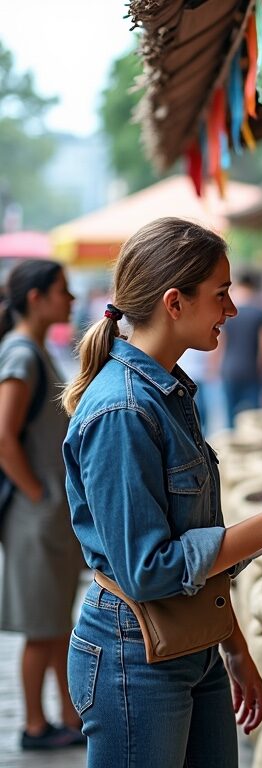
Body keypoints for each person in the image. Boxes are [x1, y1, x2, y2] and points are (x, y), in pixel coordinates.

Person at [61, 217, 262, 766]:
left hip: (193, 646)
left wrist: (232, 643)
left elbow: (194, 542)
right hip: (135, 657)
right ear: (175, 303)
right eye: (220, 295)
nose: (232, 310)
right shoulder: (123, 411)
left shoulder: (169, 391)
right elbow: (148, 570)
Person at [0, 260, 86, 750]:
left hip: (46, 512)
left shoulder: (30, 350)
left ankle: (66, 715)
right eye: (62, 290)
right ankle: (34, 725)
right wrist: (39, 495)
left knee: (55, 619)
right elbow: (4, 439)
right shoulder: (20, 354)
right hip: (35, 514)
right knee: (40, 626)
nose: (71, 300)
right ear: (36, 298)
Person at [218, 273, 262, 427]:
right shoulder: (258, 312)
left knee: (230, 416)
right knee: (256, 416)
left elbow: (221, 343)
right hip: (251, 369)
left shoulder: (227, 314)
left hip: (229, 368)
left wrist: (216, 366)